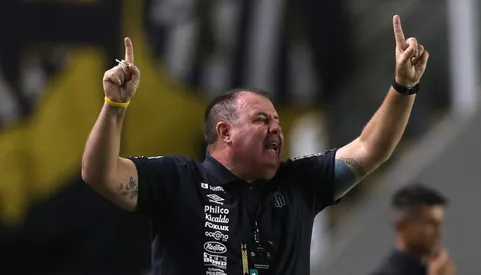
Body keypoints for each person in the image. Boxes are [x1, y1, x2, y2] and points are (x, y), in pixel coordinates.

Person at [82, 15, 429, 275]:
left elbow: (371, 148)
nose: (277, 129)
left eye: (277, 121)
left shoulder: (299, 183)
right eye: (262, 120)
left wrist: (403, 88)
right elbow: (101, 174)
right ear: (225, 132)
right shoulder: (177, 180)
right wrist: (115, 107)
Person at [369, 184, 455, 275]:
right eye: (431, 224)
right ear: (401, 226)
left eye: (439, 224)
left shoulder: (433, 268)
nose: (439, 232)